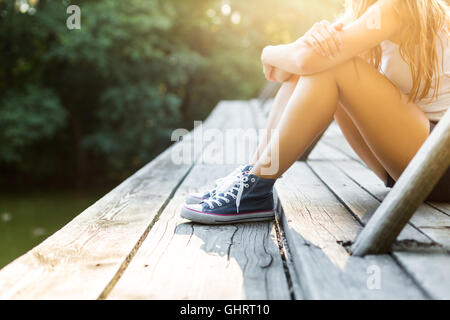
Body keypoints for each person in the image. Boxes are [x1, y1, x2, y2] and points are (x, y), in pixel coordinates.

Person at [182, 0, 450, 224]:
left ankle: (256, 187)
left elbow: (304, 60)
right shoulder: (362, 12)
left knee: (331, 67)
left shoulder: (400, 6)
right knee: (319, 65)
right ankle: (253, 175)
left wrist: (268, 52)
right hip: (411, 160)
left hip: (438, 165)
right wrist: (304, 46)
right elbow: (291, 69)